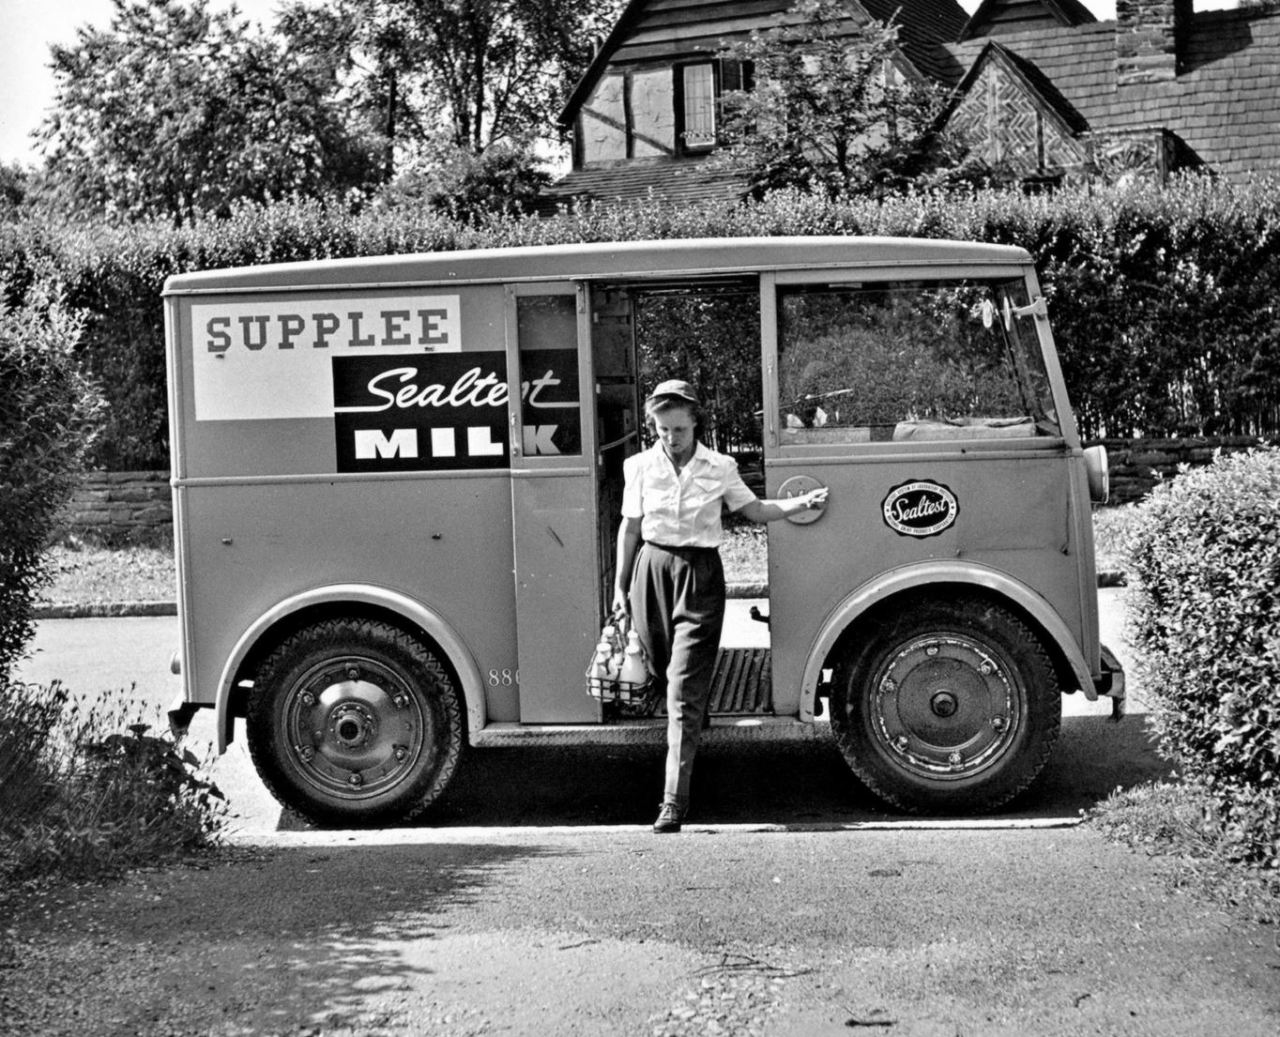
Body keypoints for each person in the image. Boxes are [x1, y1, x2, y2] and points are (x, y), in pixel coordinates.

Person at [612, 380, 829, 833]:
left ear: (696, 424)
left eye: (679, 429)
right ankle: (693, 718)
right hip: (650, 572)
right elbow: (630, 529)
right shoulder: (639, 466)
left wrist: (798, 503)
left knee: (682, 687)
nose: (671, 439)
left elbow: (754, 511)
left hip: (700, 576)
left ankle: (673, 801)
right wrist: (620, 588)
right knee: (661, 668)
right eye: (662, 429)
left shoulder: (720, 466)